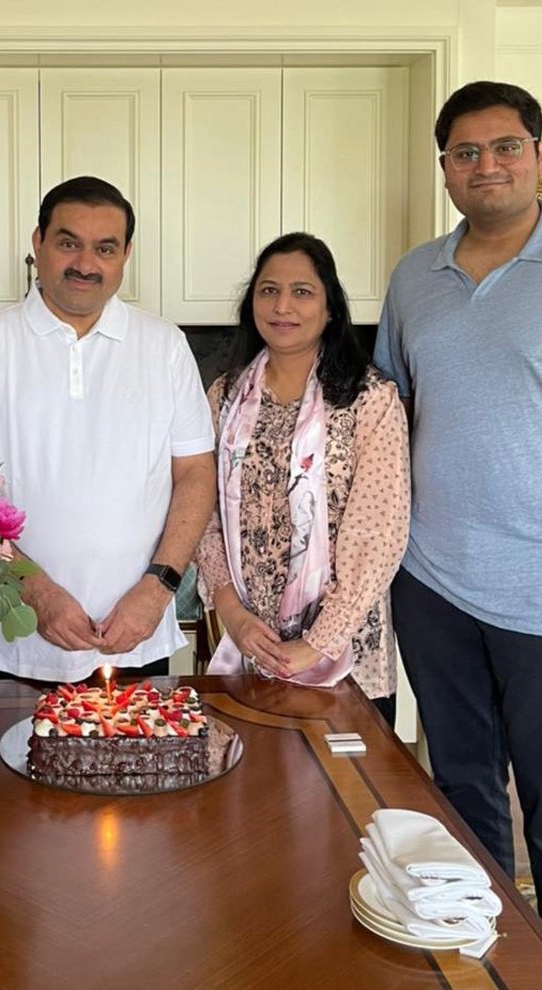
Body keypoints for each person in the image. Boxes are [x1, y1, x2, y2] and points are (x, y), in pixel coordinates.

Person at [374, 80, 542, 988]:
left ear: (540, 156)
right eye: (465, 153)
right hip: (434, 587)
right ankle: (484, 973)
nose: (487, 166)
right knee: (462, 806)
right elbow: (391, 415)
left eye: (506, 146)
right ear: (444, 168)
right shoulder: (415, 277)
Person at [0, 176, 216, 685]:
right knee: (16, 741)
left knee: (143, 742)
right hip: (19, 634)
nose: (86, 264)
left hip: (138, 632)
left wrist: (158, 588)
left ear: (125, 255)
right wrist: (37, 592)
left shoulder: (165, 346)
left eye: (104, 248)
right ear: (38, 242)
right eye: (69, 243)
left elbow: (196, 472)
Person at [195, 233, 409, 722]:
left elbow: (378, 534)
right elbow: (202, 512)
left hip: (343, 655)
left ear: (330, 308)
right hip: (245, 646)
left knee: (341, 773)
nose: (282, 306)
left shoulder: (369, 400)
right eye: (269, 290)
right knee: (244, 770)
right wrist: (233, 615)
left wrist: (314, 645)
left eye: (303, 292)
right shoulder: (224, 397)